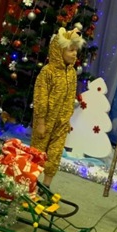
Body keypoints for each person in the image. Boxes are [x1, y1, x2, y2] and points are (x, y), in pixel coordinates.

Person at [31, 25, 85, 189]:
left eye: (76, 50)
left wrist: (67, 119)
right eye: (70, 50)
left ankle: (46, 186)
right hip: (45, 120)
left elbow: (70, 98)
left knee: (55, 154)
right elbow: (40, 98)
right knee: (38, 151)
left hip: (61, 122)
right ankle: (30, 182)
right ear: (59, 51)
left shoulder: (72, 73)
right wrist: (41, 121)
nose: (74, 54)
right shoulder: (48, 72)